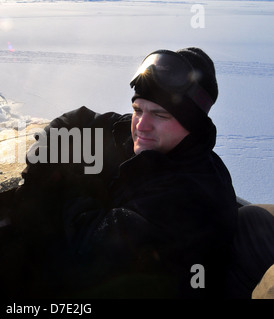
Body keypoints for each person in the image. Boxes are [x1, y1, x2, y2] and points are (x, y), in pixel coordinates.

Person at [14, 47, 238, 298]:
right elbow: (72, 122)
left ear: (192, 125)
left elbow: (83, 253)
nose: (142, 125)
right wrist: (40, 165)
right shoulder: (137, 136)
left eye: (160, 114)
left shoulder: (192, 196)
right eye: (138, 109)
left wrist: (59, 185)